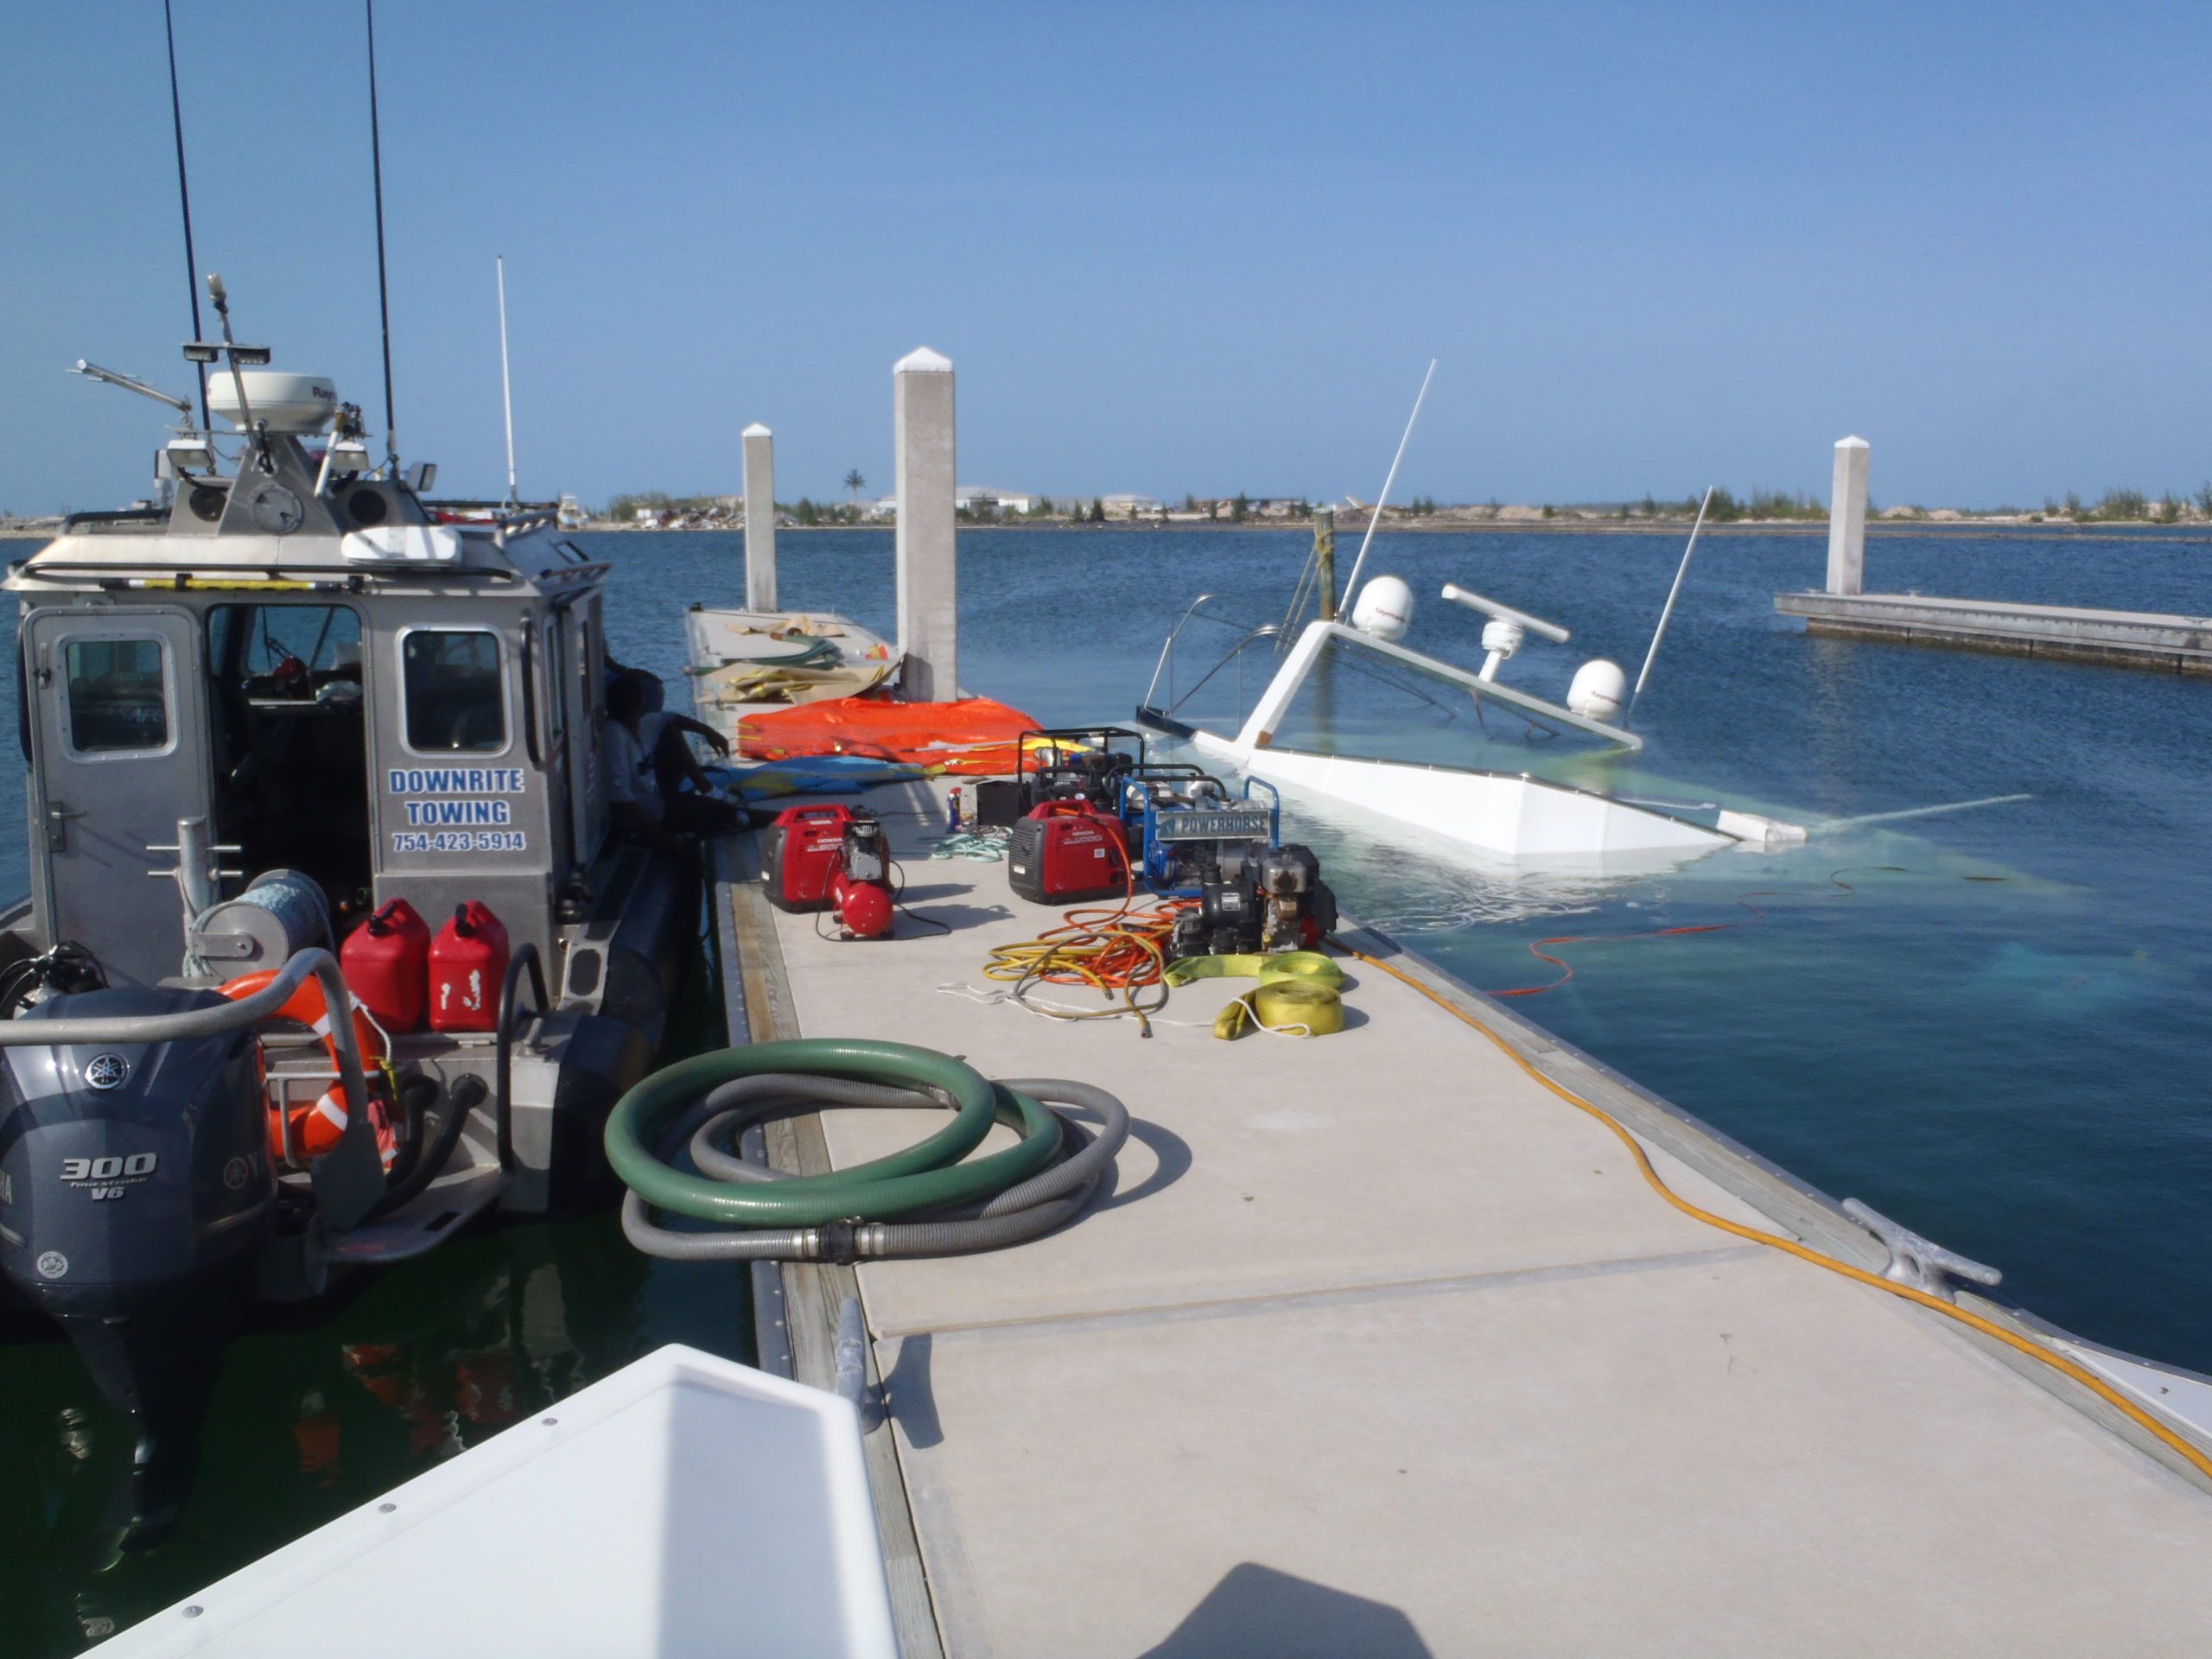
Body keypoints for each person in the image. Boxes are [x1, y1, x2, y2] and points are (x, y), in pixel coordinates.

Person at [603, 673, 741, 844]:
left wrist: (709, 732)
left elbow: (672, 719)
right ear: (640, 703)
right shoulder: (615, 736)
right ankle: (774, 820)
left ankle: (708, 790)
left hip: (658, 801)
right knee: (728, 814)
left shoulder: (640, 724)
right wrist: (664, 838)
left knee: (670, 729)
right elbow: (622, 798)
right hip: (650, 817)